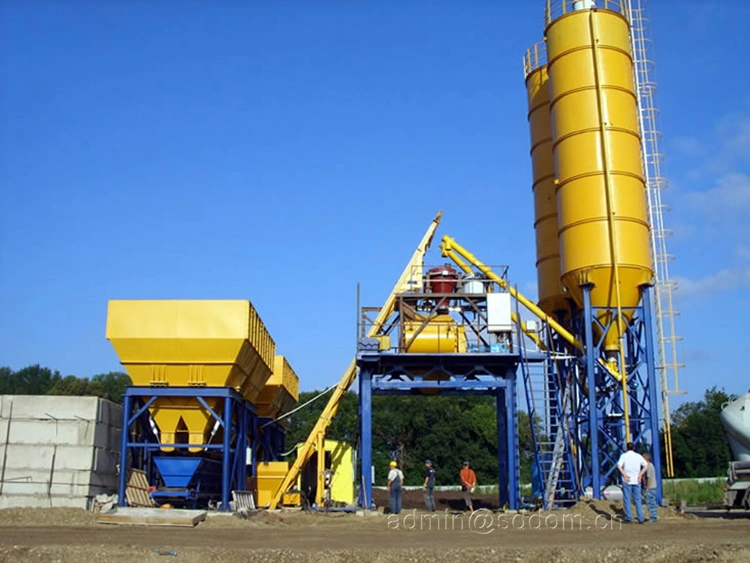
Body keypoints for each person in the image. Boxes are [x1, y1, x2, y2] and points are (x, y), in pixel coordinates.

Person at [616, 442, 648, 524]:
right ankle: (641, 518)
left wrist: (624, 474)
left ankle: (629, 518)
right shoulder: (638, 456)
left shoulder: (624, 456)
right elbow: (646, 465)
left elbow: (619, 465)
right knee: (638, 499)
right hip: (637, 480)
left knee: (627, 499)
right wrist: (640, 475)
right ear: (634, 448)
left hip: (627, 480)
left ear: (626, 448)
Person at [642, 453, 658, 523]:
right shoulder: (648, 466)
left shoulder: (649, 466)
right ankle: (652, 517)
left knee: (651, 503)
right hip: (651, 487)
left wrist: (647, 488)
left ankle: (653, 518)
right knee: (650, 503)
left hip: (651, 487)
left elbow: (649, 478)